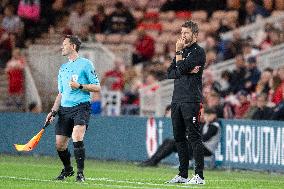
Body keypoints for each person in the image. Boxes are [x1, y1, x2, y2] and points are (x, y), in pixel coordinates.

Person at [45, 35, 101, 182]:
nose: (62, 47)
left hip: (81, 107)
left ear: (73, 46)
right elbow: (61, 93)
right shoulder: (63, 68)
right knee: (60, 145)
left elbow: (97, 87)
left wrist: (80, 86)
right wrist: (53, 111)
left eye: (64, 44)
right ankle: (68, 169)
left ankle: (80, 173)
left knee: (77, 136)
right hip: (64, 109)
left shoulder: (86, 64)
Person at [166, 20, 206, 185]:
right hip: (177, 100)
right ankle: (183, 174)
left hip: (191, 100)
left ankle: (199, 176)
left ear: (195, 35)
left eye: (186, 33)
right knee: (179, 137)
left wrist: (179, 57)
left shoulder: (198, 52)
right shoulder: (181, 52)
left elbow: (179, 69)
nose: (182, 36)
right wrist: (182, 67)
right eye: (181, 33)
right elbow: (170, 73)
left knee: (194, 137)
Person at [139, 107, 220, 168]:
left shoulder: (214, 126)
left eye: (207, 115)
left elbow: (204, 138)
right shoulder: (206, 124)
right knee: (169, 141)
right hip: (198, 146)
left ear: (213, 115)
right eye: (205, 114)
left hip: (206, 149)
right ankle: (152, 160)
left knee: (176, 142)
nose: (205, 116)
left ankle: (154, 161)